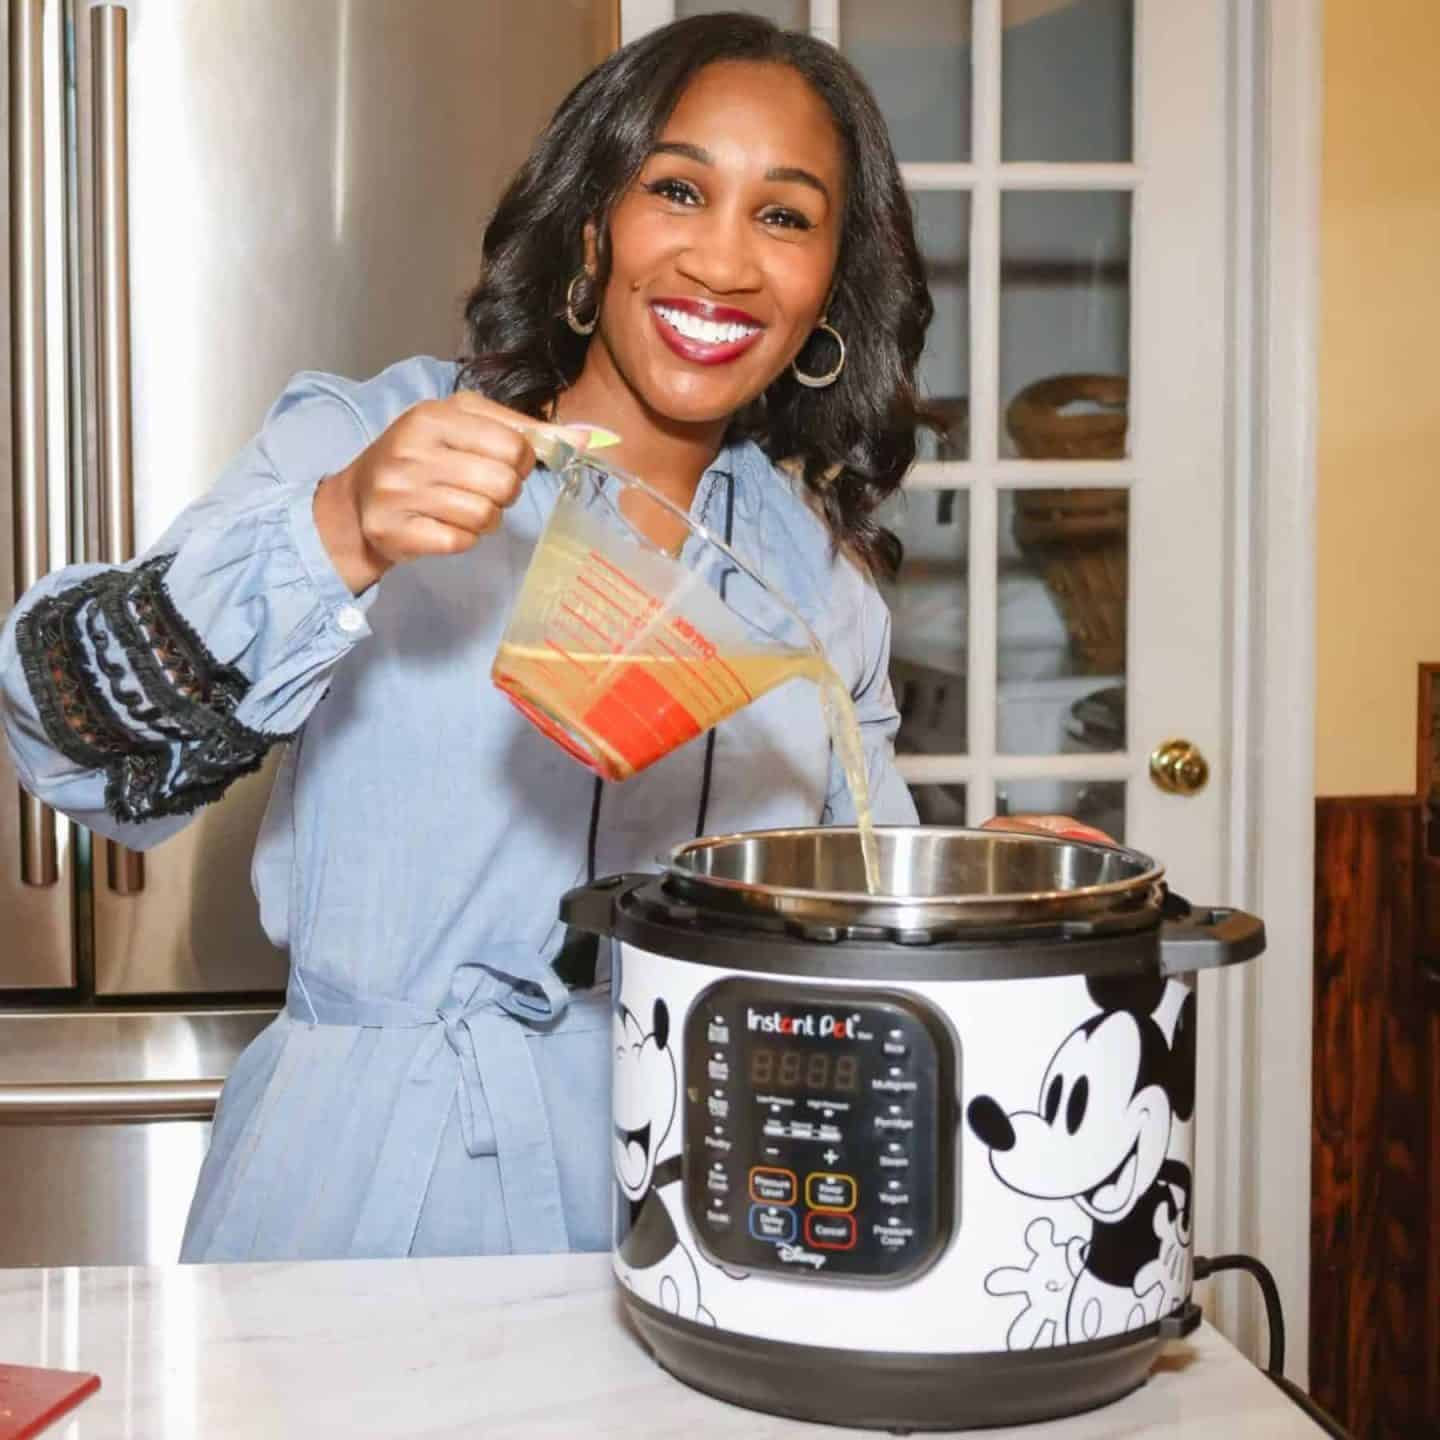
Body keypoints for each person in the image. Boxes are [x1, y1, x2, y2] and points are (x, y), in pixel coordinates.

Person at [0, 13, 1091, 1264]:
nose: (725, 262)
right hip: (369, 1182)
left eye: (784, 217)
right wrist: (338, 528)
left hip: (689, 1192)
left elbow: (840, 918)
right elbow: (69, 736)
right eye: (678, 190)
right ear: (592, 232)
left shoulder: (808, 576)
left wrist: (975, 889)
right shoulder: (378, 439)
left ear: (828, 291)